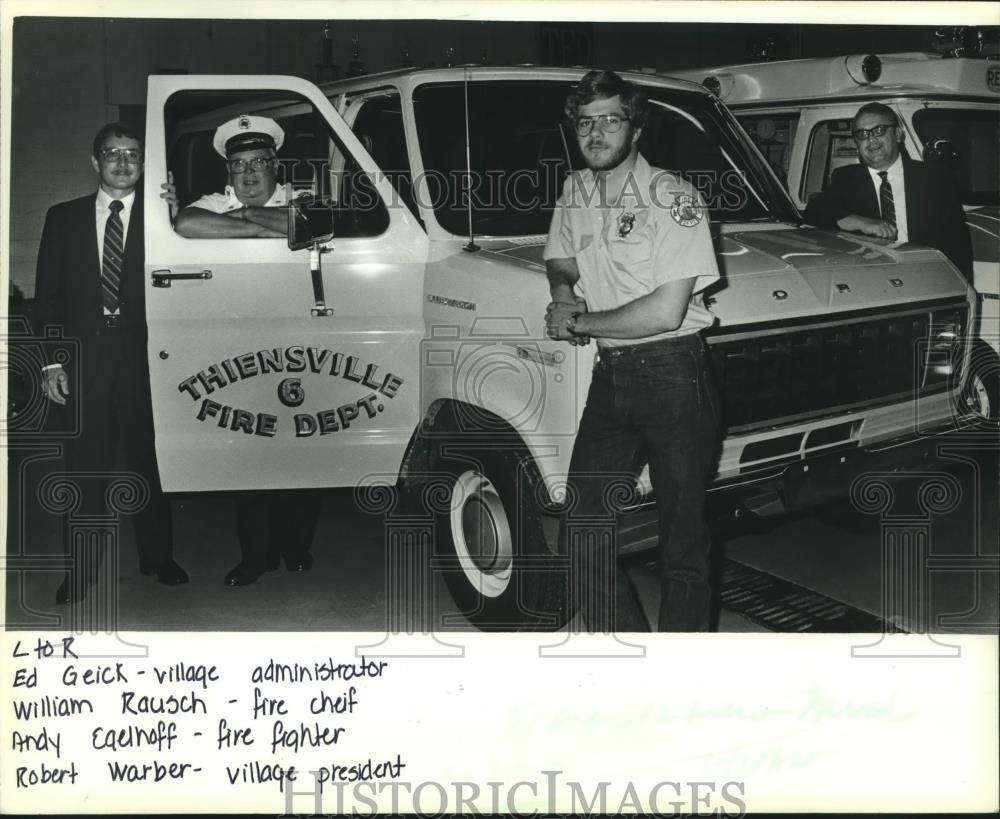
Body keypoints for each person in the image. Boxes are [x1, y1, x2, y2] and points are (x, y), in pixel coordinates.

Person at [543, 70, 721, 632]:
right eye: (585, 122)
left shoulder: (674, 200)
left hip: (674, 376)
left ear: (636, 128)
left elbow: (666, 311)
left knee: (682, 543)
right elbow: (561, 256)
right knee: (581, 529)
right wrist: (564, 293)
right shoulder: (574, 188)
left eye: (610, 120)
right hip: (613, 375)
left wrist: (582, 322)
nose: (595, 133)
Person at [35, 122, 189, 605]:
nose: (123, 163)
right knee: (84, 469)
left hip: (146, 360)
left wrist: (177, 213)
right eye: (113, 154)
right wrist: (52, 364)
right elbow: (48, 298)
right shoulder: (62, 218)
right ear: (95, 162)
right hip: (85, 362)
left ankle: (158, 558)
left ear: (145, 163)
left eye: (133, 155)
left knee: (149, 461)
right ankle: (78, 572)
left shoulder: (165, 220)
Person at [172, 114, 321, 586]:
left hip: (304, 339)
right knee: (251, 445)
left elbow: (310, 222)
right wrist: (265, 227)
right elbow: (187, 221)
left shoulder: (301, 197)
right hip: (241, 343)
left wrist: (241, 220)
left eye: (259, 162)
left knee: (305, 439)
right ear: (228, 172)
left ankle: (297, 548)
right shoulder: (213, 202)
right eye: (239, 166)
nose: (250, 174)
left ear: (276, 164)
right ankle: (256, 556)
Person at [803, 102, 972, 279]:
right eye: (862, 134)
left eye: (879, 130)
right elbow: (813, 213)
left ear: (898, 134)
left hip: (925, 276)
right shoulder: (846, 178)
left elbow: (959, 245)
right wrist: (858, 222)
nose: (871, 140)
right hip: (872, 280)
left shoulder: (934, 178)